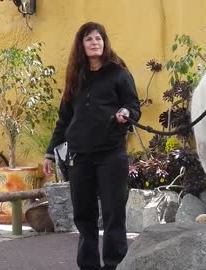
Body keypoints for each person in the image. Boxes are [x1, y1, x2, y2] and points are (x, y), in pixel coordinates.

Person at [43, 22, 141, 270]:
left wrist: (125, 112)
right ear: (82, 45)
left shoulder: (119, 73)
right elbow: (64, 119)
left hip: (111, 154)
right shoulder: (75, 77)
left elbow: (134, 107)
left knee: (113, 215)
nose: (94, 42)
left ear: (105, 43)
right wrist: (50, 153)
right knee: (84, 217)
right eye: (89, 39)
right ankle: (88, 266)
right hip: (79, 157)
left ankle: (114, 265)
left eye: (98, 38)